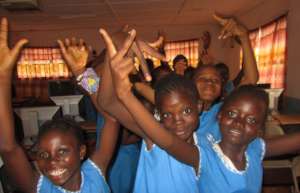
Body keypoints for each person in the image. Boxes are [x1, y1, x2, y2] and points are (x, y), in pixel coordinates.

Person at [0, 17, 119, 193]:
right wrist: (2, 79)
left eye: (62, 151)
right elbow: (8, 148)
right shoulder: (41, 188)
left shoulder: (95, 172)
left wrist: (82, 73)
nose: (52, 161)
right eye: (43, 154)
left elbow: (110, 116)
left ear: (81, 152)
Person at [99, 28, 201, 193]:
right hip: (117, 151)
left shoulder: (204, 144)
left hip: (125, 147)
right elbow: (100, 96)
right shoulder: (122, 84)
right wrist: (82, 73)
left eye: (186, 111)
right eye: (167, 114)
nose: (178, 120)